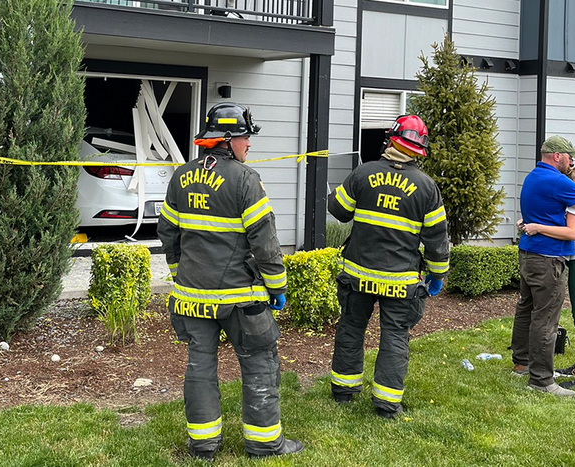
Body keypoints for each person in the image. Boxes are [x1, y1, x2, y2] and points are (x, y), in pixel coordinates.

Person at [157, 103, 303, 460]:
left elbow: (167, 233)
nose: (249, 144)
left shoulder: (181, 177)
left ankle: (204, 444)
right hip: (241, 299)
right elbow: (265, 242)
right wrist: (278, 287)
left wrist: (181, 275)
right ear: (227, 139)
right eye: (244, 137)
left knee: (200, 365)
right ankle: (265, 442)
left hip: (192, 297)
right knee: (260, 361)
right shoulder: (245, 179)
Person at [327, 114, 450, 419]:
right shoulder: (426, 187)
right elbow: (437, 238)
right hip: (401, 280)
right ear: (419, 149)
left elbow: (338, 211)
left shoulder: (363, 173)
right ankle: (386, 404)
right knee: (395, 334)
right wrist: (438, 273)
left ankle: (344, 390)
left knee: (352, 328)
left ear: (390, 140)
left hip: (358, 275)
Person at [512, 136, 575, 397]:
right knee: (545, 318)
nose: (572, 162)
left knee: (527, 308)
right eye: (569, 157)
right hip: (548, 258)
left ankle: (521, 362)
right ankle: (542, 380)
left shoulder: (533, 176)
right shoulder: (557, 181)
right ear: (556, 155)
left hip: (529, 253)